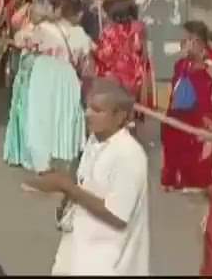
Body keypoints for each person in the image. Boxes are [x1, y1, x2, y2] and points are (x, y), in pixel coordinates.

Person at [30, 78, 149, 276]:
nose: (87, 114)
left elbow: (118, 215)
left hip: (109, 261)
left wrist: (68, 188)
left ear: (119, 116)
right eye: (87, 108)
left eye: (97, 110)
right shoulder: (95, 140)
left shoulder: (129, 155)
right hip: (79, 247)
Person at [21, 0, 92, 174]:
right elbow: (86, 63)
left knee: (41, 117)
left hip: (43, 72)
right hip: (67, 76)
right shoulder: (80, 34)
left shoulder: (43, 28)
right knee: (65, 117)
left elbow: (24, 42)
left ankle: (42, 164)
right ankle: (64, 160)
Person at [161, 20, 212, 191]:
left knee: (197, 145)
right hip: (179, 114)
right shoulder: (183, 63)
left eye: (186, 39)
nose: (182, 43)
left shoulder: (210, 64)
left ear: (197, 41)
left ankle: (197, 182)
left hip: (201, 117)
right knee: (174, 140)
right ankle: (177, 178)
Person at [92, 0, 154, 112]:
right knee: (131, 112)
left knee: (115, 113)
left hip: (114, 80)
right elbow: (144, 54)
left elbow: (103, 55)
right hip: (135, 78)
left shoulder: (110, 32)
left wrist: (93, 51)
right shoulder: (139, 29)